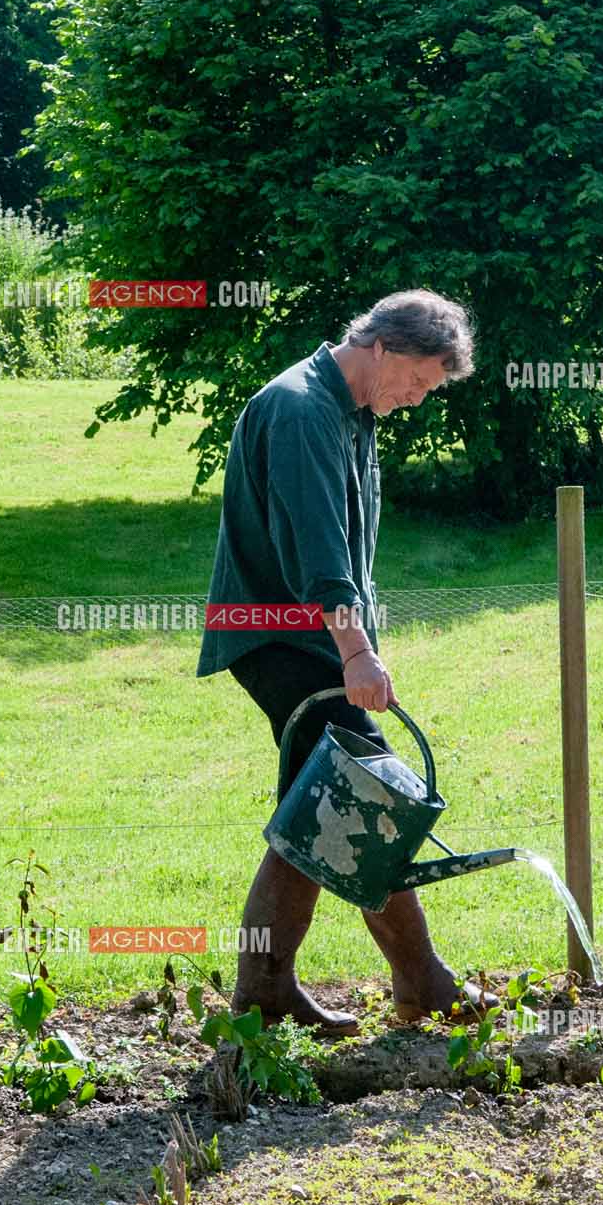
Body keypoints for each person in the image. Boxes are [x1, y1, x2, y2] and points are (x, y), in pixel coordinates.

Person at [196, 289, 492, 1037]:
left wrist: (359, 638)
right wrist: (355, 649)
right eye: (420, 380)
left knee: (338, 804)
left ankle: (292, 991)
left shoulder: (350, 413)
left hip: (310, 637)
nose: (420, 398)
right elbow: (320, 551)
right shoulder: (301, 410)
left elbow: (348, 556)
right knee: (355, 798)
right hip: (281, 638)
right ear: (384, 348)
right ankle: (414, 985)